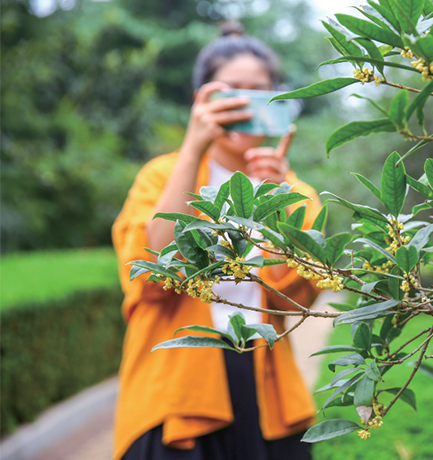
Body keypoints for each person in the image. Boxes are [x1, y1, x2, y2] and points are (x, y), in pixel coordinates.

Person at [111, 23, 321, 460]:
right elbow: (153, 273)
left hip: (265, 384)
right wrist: (192, 149)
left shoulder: (296, 193)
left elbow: (295, 297)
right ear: (202, 102)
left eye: (259, 91)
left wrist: (279, 203)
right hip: (176, 386)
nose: (244, 103)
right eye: (232, 91)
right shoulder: (162, 177)